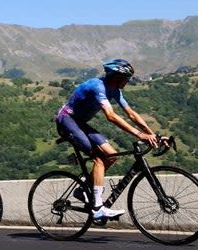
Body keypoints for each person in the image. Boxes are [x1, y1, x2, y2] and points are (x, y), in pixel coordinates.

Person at [56, 59, 158, 219]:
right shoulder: (98, 86)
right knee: (99, 157)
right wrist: (139, 135)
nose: (128, 81)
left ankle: (83, 190)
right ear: (116, 76)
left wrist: (151, 134)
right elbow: (110, 116)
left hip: (80, 123)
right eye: (126, 78)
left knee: (112, 156)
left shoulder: (115, 90)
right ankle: (97, 208)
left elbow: (131, 114)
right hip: (66, 120)